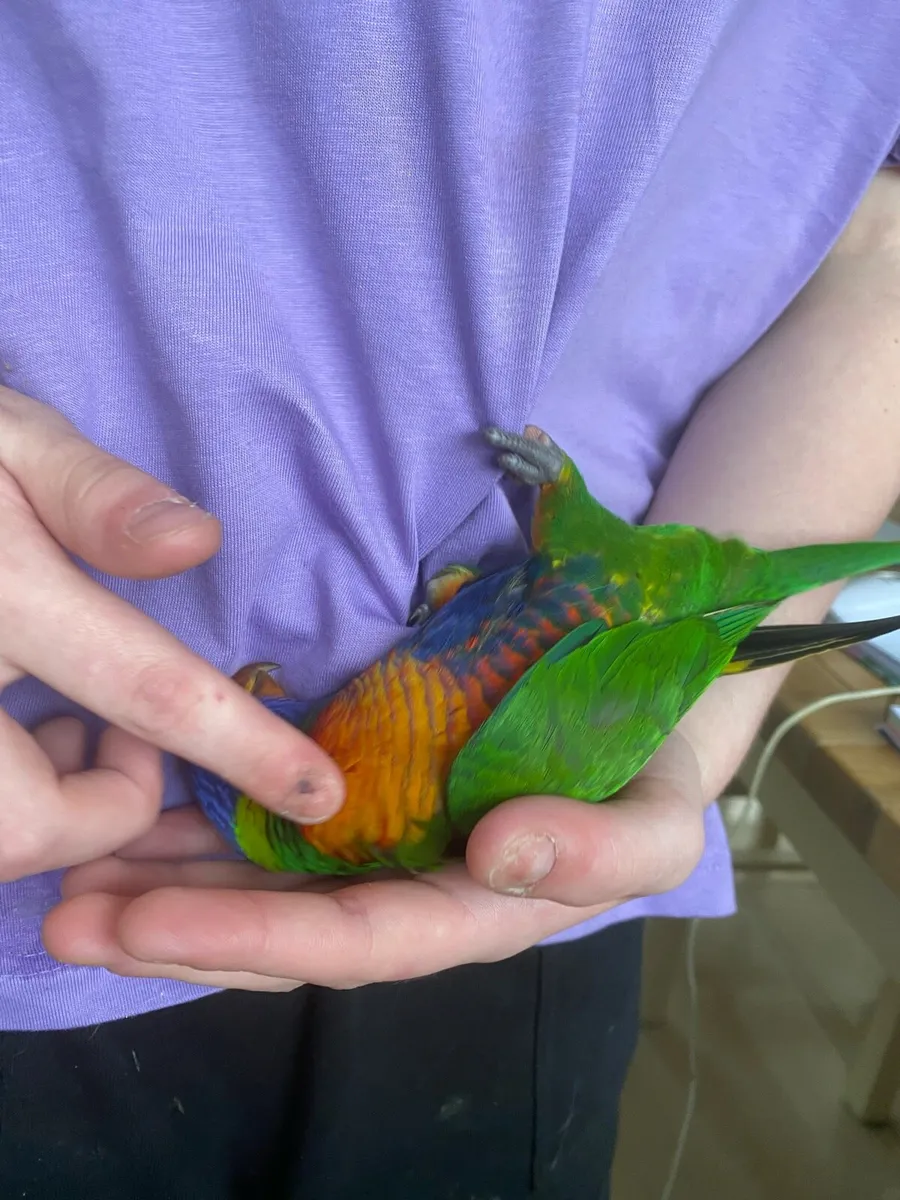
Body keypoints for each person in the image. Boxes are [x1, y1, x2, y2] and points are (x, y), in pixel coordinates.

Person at [0, 3, 899, 1197]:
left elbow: (875, 254)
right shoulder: (435, 768)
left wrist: (687, 747)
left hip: (537, 899)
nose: (276, 728)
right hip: (44, 889)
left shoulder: (448, 775)